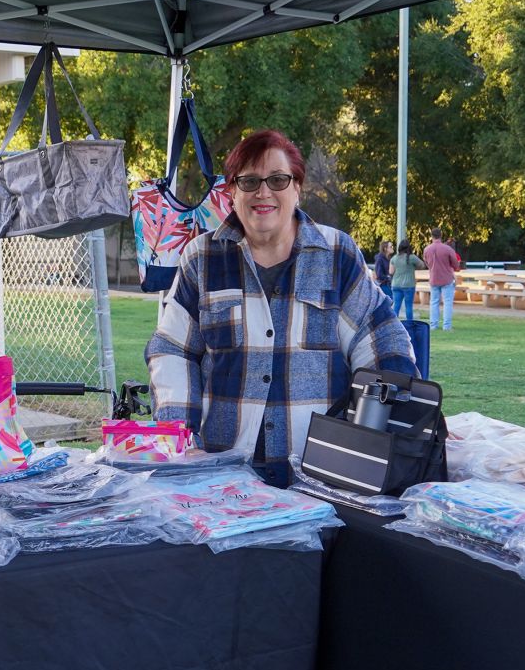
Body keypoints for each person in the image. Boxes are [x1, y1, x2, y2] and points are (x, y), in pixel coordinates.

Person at [146, 129, 416, 487]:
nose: (263, 192)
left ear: (297, 188)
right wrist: (179, 438)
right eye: (249, 181)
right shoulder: (202, 257)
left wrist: (382, 435)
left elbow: (382, 342)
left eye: (277, 179)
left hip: (321, 472)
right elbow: (172, 351)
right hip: (223, 470)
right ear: (231, 192)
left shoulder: (338, 254)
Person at [422, 227, 462, 332]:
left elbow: (427, 263)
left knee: (434, 302)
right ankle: (446, 326)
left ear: (431, 236)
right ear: (441, 235)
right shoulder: (448, 249)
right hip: (447, 278)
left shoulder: (427, 249)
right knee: (447, 302)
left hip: (434, 278)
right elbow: (455, 264)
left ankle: (433, 325)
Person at [390, 240, 426, 322]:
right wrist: (413, 267)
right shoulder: (412, 257)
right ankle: (410, 323)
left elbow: (391, 272)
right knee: (408, 306)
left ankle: (393, 324)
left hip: (396, 284)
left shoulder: (394, 258)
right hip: (409, 285)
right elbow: (422, 265)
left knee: (396, 306)